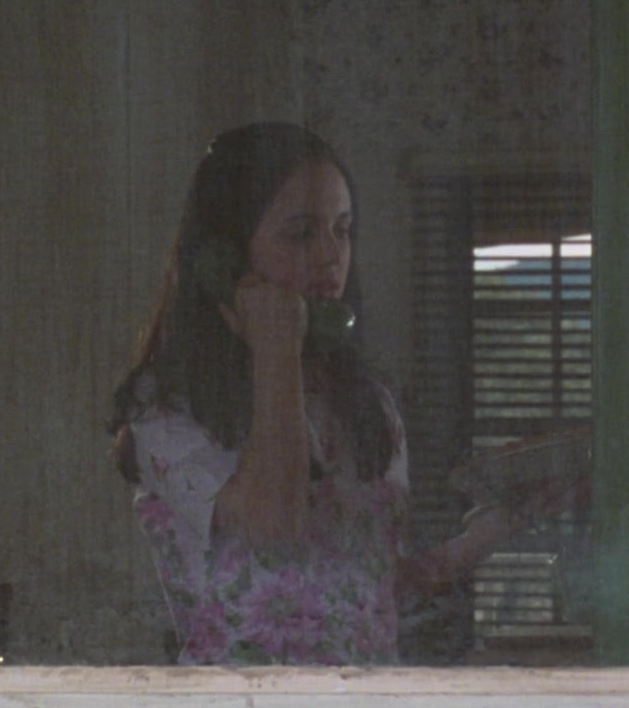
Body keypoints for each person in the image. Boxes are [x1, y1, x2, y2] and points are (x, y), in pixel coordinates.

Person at [107, 122, 514, 665]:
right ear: (226, 258)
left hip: (364, 705)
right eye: (301, 234)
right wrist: (275, 347)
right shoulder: (168, 410)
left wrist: (493, 529)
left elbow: (365, 590)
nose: (330, 256)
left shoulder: (365, 403)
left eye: (342, 230)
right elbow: (273, 522)